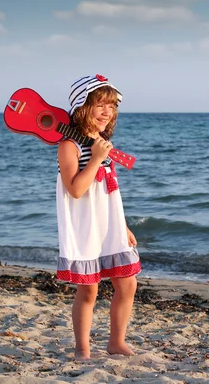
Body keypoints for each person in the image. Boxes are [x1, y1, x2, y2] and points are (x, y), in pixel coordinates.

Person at [55, 74, 141, 360]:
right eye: (100, 104)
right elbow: (76, 190)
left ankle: (116, 341)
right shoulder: (71, 145)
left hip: (110, 224)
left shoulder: (102, 141)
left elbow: (110, 191)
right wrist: (94, 159)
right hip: (87, 227)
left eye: (112, 105)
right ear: (82, 106)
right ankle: (82, 347)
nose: (108, 111)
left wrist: (124, 226)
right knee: (89, 291)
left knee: (128, 283)